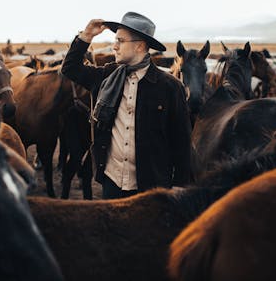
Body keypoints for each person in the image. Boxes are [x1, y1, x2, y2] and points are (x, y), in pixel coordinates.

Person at [61, 12, 192, 199]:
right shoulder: (107, 76)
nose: (114, 46)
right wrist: (86, 36)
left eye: (120, 41)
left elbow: (182, 141)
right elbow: (70, 68)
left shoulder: (169, 87)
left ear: (139, 45)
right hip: (111, 182)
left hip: (152, 187)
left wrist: (180, 185)